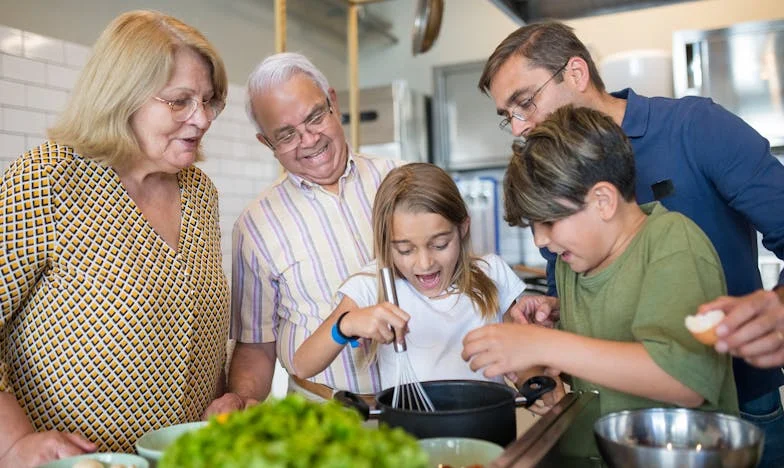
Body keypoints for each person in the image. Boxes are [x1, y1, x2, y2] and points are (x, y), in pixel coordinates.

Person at [478, 21, 784, 466]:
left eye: (526, 103)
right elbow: (581, 287)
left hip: (738, 407)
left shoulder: (696, 129)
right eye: (510, 117)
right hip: (620, 420)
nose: (521, 128)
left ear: (576, 73)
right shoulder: (553, 178)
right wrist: (555, 315)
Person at [0, 10, 230, 466]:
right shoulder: (48, 180)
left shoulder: (200, 192)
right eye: (179, 100)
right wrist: (14, 443)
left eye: (208, 100)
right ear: (122, 97)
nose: (201, 118)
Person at [462, 105, 738, 456]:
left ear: (603, 201)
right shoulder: (574, 263)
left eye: (549, 221)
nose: (540, 240)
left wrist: (540, 344)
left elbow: (683, 379)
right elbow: (598, 345)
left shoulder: (672, 242)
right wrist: (544, 373)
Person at [205, 53, 401, 413]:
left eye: (314, 117)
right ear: (267, 143)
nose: (309, 139)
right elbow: (256, 344)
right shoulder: (255, 226)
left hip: (419, 403)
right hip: (324, 413)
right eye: (287, 135)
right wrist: (243, 401)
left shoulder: (401, 180)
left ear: (333, 102)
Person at [292, 163, 528, 389]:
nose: (424, 263)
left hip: (489, 426)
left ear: (463, 228)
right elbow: (302, 366)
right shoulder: (372, 287)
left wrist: (531, 380)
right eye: (405, 250)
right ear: (386, 242)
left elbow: (524, 360)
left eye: (440, 244)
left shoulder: (492, 273)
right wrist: (345, 325)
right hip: (405, 430)